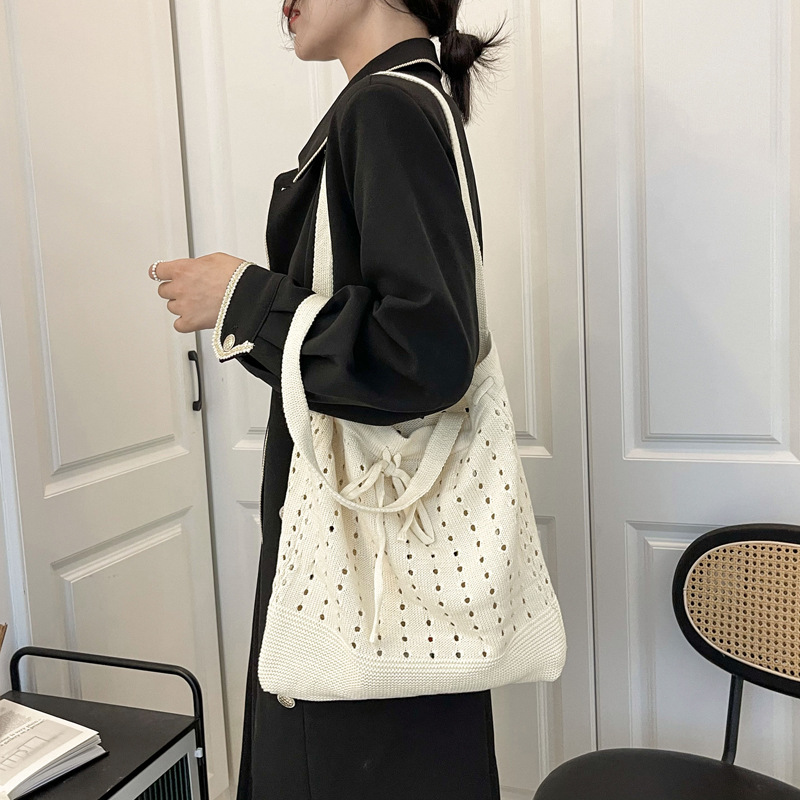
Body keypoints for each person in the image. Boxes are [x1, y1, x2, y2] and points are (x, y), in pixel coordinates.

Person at [150, 1, 510, 797]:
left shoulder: (385, 106)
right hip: (378, 566)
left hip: (359, 576)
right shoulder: (410, 97)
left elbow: (424, 354)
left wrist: (245, 300)